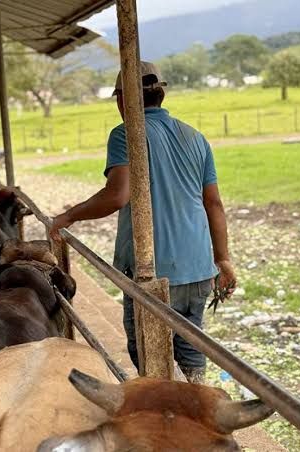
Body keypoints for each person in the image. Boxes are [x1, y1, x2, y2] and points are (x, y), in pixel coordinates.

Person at [50, 62, 236, 384]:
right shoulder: (196, 137)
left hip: (154, 271)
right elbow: (214, 204)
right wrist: (223, 259)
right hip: (198, 268)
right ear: (161, 94)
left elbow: (116, 195)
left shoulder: (126, 134)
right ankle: (193, 401)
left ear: (124, 99)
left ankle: (163, 407)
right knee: (191, 352)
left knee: (148, 357)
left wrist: (69, 216)